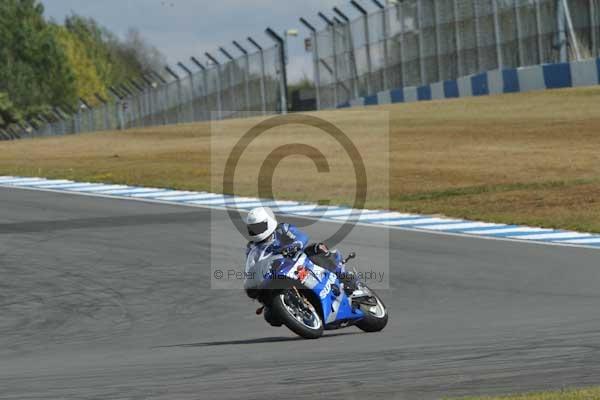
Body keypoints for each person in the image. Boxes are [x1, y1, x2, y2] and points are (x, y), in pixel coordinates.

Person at [243, 206, 358, 301]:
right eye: (253, 229)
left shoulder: (282, 229)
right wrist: (251, 279)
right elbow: (252, 265)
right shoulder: (252, 247)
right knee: (269, 313)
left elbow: (302, 237)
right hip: (278, 273)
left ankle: (344, 277)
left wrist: (294, 246)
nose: (256, 231)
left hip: (297, 260)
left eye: (258, 227)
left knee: (316, 249)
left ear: (269, 222)